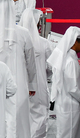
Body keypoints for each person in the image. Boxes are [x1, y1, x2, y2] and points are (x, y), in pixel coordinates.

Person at [0, 0, 37, 138]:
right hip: (19, 83)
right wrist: (32, 83)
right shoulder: (23, 33)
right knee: (18, 118)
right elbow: (31, 62)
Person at [47, 26, 80, 138]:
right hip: (71, 107)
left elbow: (68, 84)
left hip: (65, 105)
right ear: (74, 41)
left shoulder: (67, 58)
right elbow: (72, 89)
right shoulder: (70, 61)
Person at [18, 8, 52, 138]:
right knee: (40, 116)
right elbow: (50, 67)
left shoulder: (17, 43)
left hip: (20, 85)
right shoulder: (45, 44)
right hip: (39, 86)